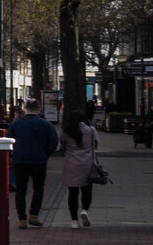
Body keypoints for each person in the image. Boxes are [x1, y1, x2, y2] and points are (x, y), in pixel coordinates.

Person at [7, 96, 60, 229]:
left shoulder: (17, 124)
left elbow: (9, 140)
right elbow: (53, 142)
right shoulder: (46, 124)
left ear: (26, 108)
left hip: (20, 161)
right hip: (39, 161)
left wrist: (14, 155)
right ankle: (34, 215)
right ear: (39, 108)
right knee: (38, 188)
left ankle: (22, 218)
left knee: (21, 189)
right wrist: (45, 154)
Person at [58, 110, 100, 228]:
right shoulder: (91, 130)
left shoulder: (66, 131)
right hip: (87, 164)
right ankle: (84, 210)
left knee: (73, 193)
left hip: (71, 164)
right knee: (87, 190)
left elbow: (62, 146)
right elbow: (95, 145)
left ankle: (74, 221)